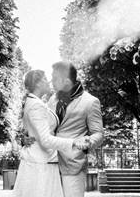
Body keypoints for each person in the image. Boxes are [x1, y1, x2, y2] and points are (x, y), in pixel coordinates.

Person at [12, 69, 90, 197]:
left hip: (42, 162)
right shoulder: (37, 105)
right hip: (41, 165)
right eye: (44, 79)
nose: (48, 81)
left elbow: (33, 131)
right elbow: (46, 140)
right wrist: (74, 142)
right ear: (37, 84)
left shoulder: (37, 103)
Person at [47, 62, 105, 197]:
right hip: (49, 163)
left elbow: (99, 134)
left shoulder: (90, 102)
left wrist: (87, 143)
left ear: (66, 81)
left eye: (55, 78)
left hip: (72, 164)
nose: (52, 81)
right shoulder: (52, 99)